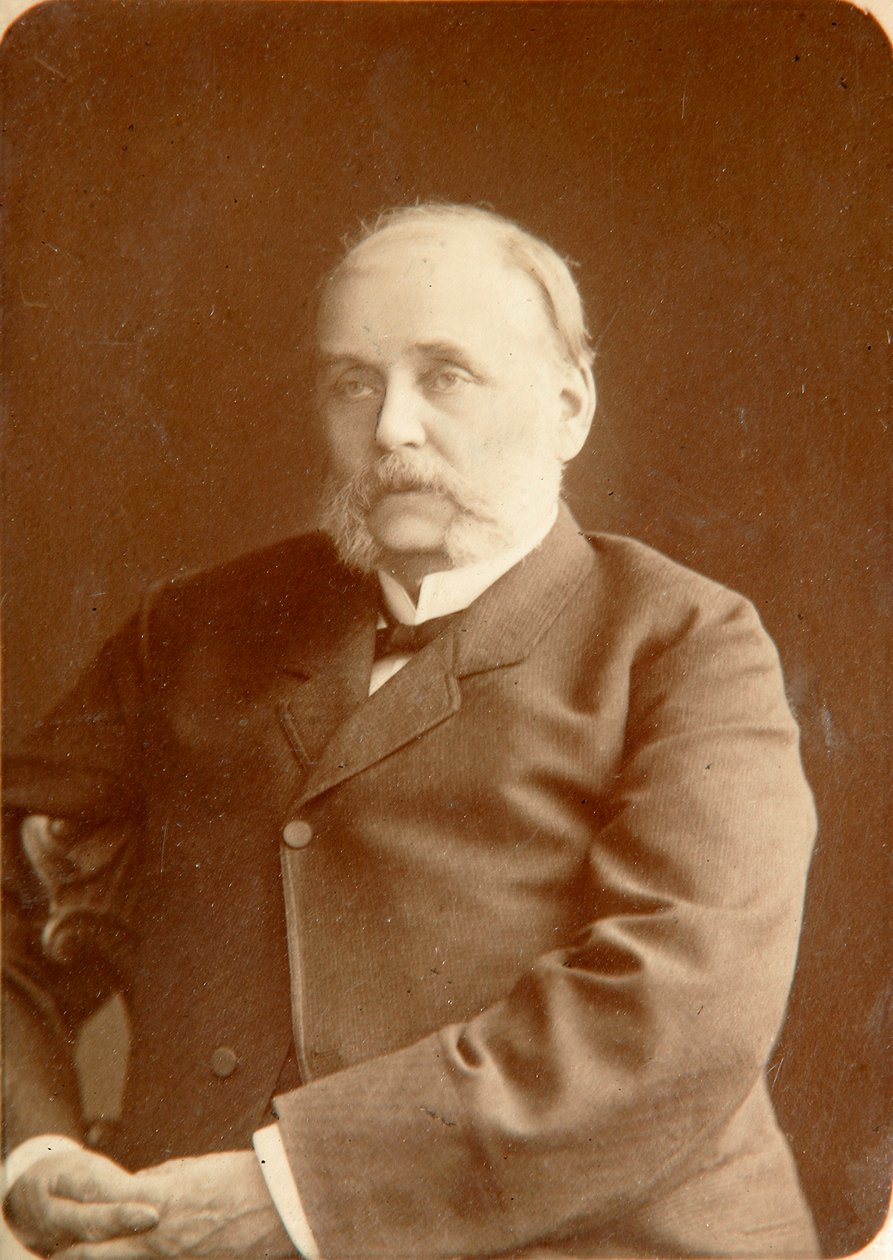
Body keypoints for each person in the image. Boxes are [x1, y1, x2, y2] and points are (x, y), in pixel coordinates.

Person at [2, 203, 819, 1259]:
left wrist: (295, 1193)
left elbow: (677, 1014)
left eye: (446, 376)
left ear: (568, 408)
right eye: (353, 382)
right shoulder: (192, 630)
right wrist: (30, 1149)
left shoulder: (688, 643)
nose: (390, 427)